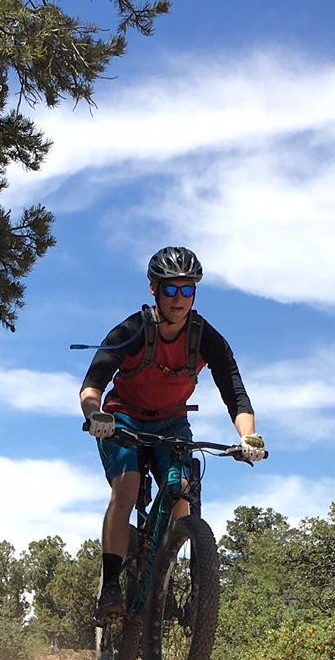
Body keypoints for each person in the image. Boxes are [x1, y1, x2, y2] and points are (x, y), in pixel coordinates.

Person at [78, 245, 266, 622]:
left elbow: (235, 393)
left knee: (181, 491)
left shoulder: (204, 337)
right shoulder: (134, 330)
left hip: (171, 422)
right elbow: (92, 383)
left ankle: (162, 576)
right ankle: (112, 585)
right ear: (154, 290)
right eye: (170, 290)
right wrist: (95, 414)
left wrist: (250, 437)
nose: (179, 299)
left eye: (186, 290)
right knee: (127, 487)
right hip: (122, 418)